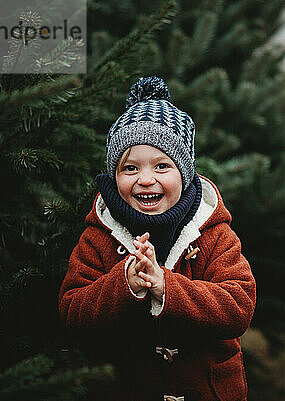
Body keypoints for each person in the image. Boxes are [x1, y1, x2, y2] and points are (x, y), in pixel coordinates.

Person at [58, 77, 256, 401]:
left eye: (162, 166)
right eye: (130, 168)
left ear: (185, 173)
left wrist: (167, 287)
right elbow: (72, 310)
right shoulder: (98, 237)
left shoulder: (213, 233)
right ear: (114, 176)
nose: (146, 179)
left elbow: (238, 305)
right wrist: (124, 284)